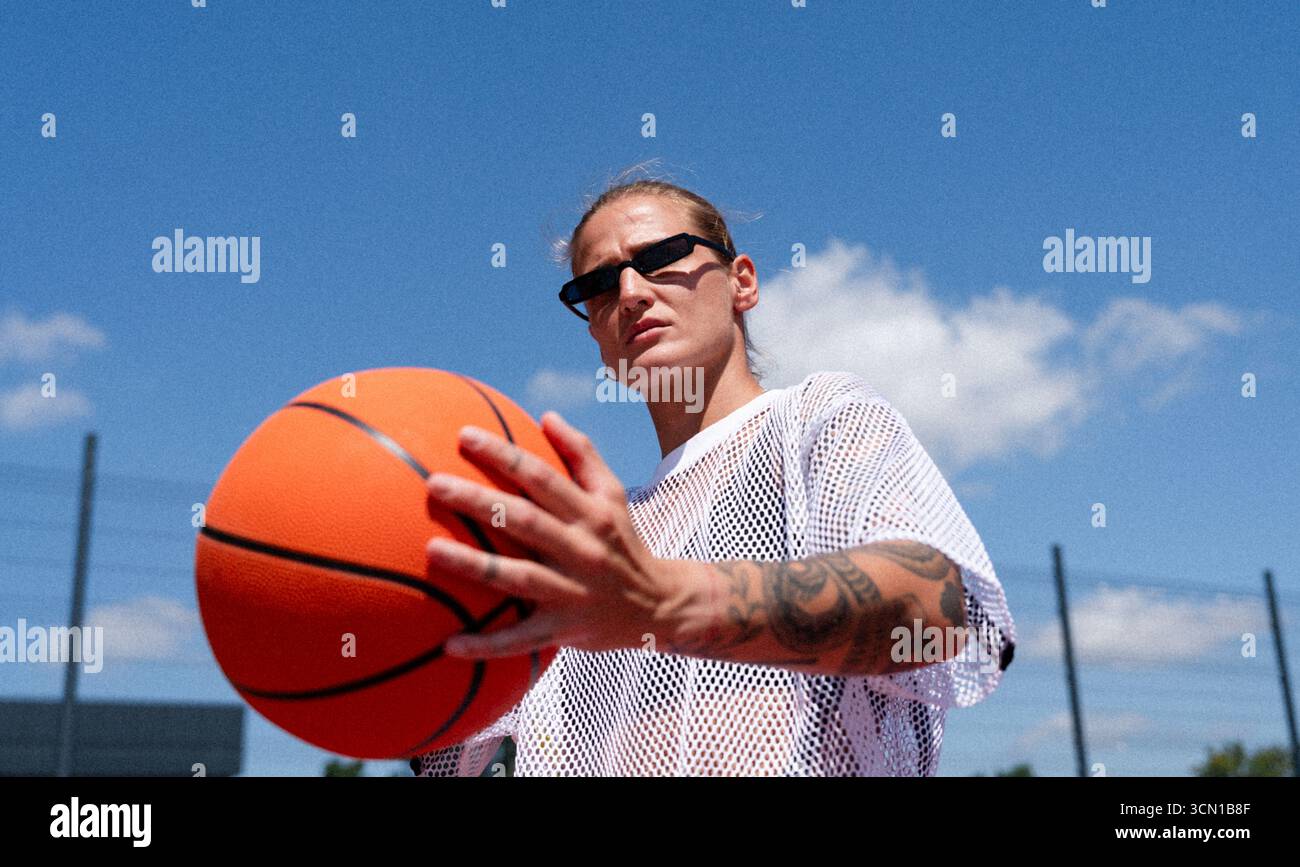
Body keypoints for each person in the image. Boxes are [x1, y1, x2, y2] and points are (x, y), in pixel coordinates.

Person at [412, 173, 1015, 776]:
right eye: (595, 284)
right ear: (595, 333)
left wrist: (664, 601)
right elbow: (444, 739)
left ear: (742, 283)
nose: (628, 292)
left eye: (662, 257)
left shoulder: (818, 417)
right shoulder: (599, 534)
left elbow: (933, 609)